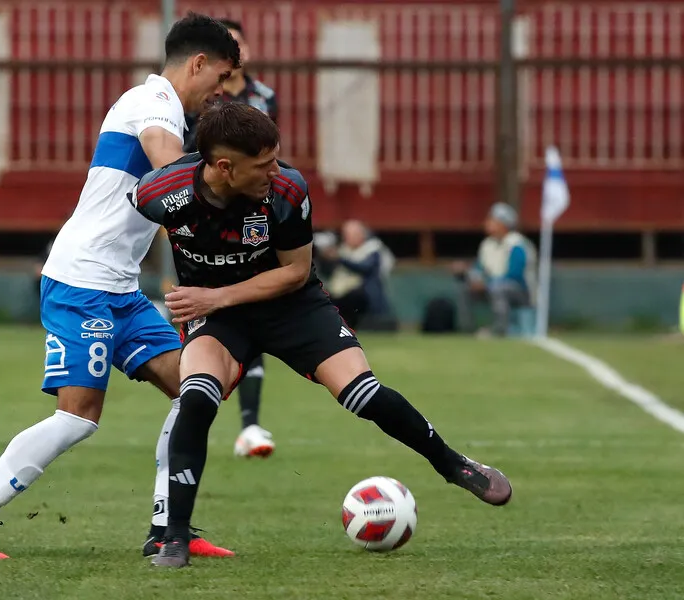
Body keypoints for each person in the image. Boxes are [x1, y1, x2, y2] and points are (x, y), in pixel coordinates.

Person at [130, 102, 513, 568]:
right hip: (221, 317)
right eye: (263, 164)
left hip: (290, 306)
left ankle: (453, 464)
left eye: (277, 158)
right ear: (225, 168)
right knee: (197, 397)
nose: (277, 170)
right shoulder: (160, 193)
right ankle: (174, 538)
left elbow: (294, 273)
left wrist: (213, 298)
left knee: (363, 394)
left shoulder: (287, 189)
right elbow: (118, 225)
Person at [0, 13, 240, 561]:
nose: (220, 91)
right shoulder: (153, 103)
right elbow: (168, 167)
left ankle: (167, 527)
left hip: (120, 288)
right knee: (79, 416)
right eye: (220, 78)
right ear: (197, 64)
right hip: (82, 281)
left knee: (198, 388)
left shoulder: (174, 113)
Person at [181, 18, 279, 459]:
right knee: (222, 317)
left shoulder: (264, 97)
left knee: (248, 307)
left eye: (240, 42)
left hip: (253, 211)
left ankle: (250, 424)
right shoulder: (202, 100)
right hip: (208, 213)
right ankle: (233, 420)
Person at [452, 202, 537, 337]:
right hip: (491, 285)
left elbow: (515, 275)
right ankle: (467, 330)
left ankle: (499, 330)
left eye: (492, 220)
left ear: (503, 224)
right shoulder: (487, 244)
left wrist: (487, 282)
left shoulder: (517, 244)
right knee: (465, 289)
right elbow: (480, 268)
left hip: (521, 292)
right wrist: (469, 274)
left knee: (498, 288)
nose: (487, 223)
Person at [320, 219, 395, 330]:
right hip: (339, 293)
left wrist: (340, 259)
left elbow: (365, 268)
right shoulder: (342, 249)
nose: (348, 238)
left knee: (354, 297)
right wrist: (326, 258)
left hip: (364, 295)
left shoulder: (372, 249)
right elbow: (328, 272)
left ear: (362, 234)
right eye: (346, 235)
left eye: (352, 234)